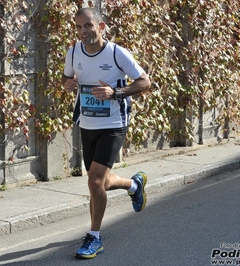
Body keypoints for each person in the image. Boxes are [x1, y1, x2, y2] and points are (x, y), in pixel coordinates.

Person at [62, 7, 151, 259]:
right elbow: (66, 78)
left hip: (113, 124)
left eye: (88, 26)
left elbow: (145, 81)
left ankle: (94, 237)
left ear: (101, 27)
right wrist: (67, 84)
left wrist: (116, 92)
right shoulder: (74, 52)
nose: (82, 31)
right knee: (100, 181)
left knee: (94, 182)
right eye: (78, 27)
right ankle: (134, 184)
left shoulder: (116, 53)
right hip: (86, 124)